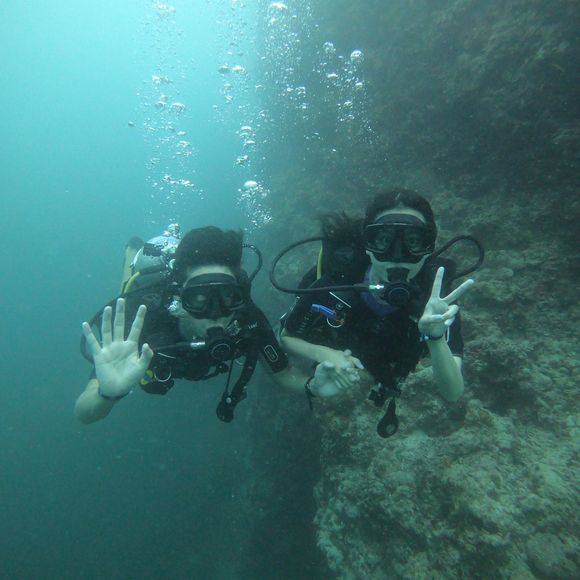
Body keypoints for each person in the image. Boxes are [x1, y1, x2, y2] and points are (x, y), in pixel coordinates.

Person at [75, 226, 345, 424]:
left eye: (227, 296)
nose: (215, 313)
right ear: (180, 297)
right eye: (199, 298)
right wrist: (106, 395)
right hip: (146, 291)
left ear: (239, 294)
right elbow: (84, 412)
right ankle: (132, 255)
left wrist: (312, 386)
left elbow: (284, 373)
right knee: (129, 284)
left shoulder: (246, 318)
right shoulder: (144, 318)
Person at [277, 188, 481, 437]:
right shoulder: (337, 283)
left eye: (413, 241)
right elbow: (287, 337)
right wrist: (325, 353)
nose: (397, 257)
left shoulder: (436, 298)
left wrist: (436, 338)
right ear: (367, 243)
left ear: (429, 246)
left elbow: (453, 391)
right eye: (383, 240)